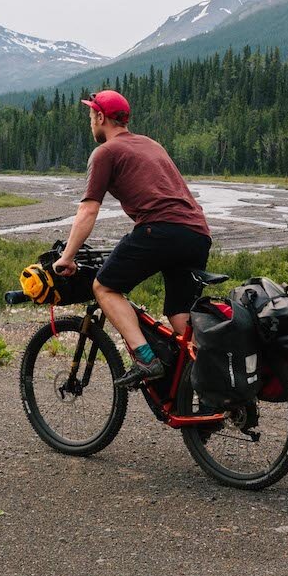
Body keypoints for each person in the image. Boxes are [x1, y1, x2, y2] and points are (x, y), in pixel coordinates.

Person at [52, 89, 212, 388]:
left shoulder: (105, 152)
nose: (90, 122)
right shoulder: (151, 145)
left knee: (104, 286)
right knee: (180, 315)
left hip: (160, 230)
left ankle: (146, 358)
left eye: (91, 116)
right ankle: (208, 384)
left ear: (101, 117)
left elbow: (88, 210)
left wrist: (68, 256)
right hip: (197, 233)